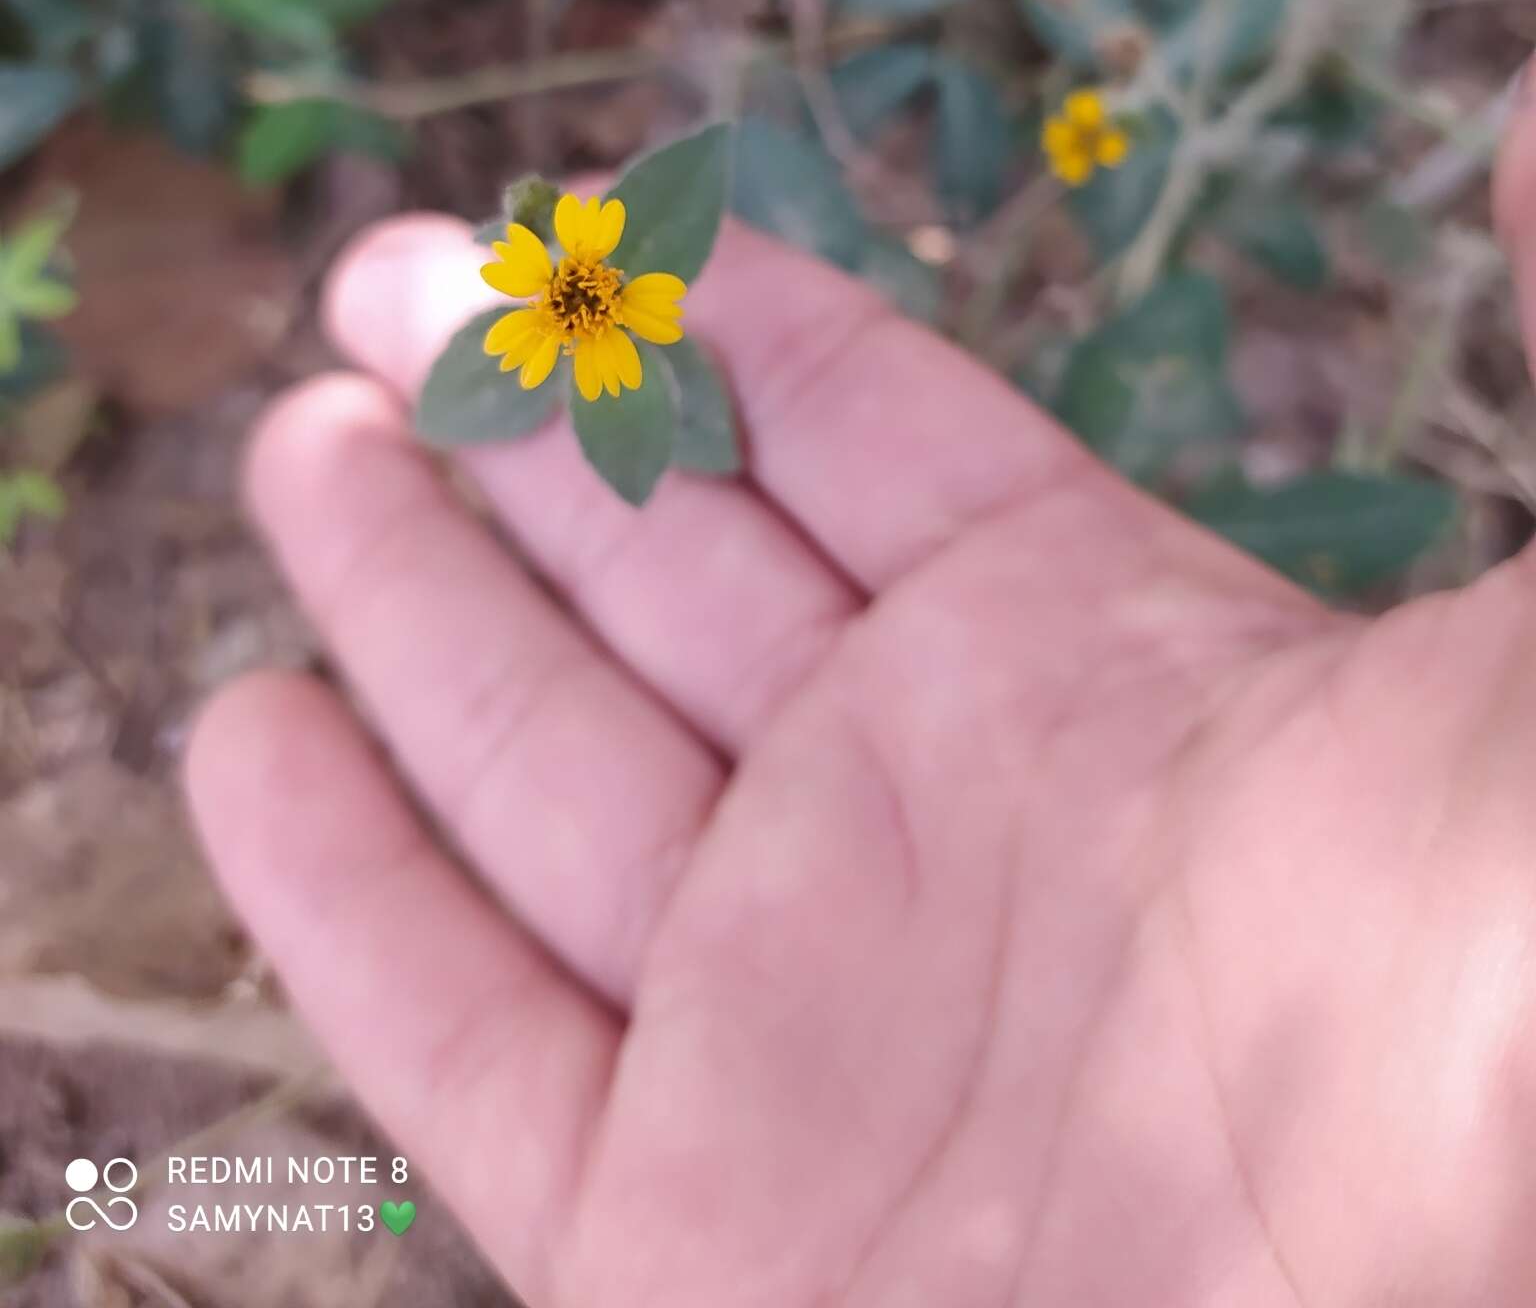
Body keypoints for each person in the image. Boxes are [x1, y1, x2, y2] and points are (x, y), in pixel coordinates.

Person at [187, 100, 1536, 1307]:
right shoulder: (576, 318)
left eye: (593, 299)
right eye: (576, 300)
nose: (593, 307)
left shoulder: (619, 315)